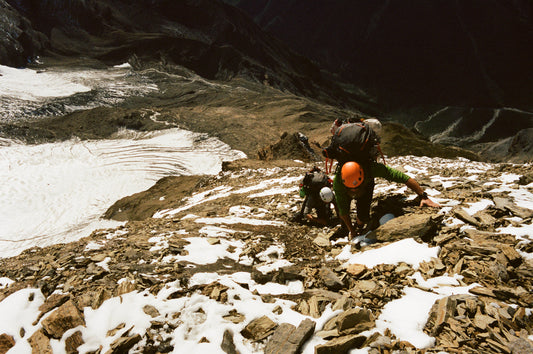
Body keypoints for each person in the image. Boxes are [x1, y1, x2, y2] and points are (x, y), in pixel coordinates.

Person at [334, 160, 440, 239]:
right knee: (345, 209)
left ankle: (360, 223)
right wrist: (351, 231)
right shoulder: (338, 183)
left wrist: (423, 196)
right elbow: (343, 211)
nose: (355, 191)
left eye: (357, 188)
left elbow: (402, 177)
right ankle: (350, 228)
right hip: (349, 188)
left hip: (366, 185)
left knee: (363, 216)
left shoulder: (372, 168)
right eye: (352, 189)